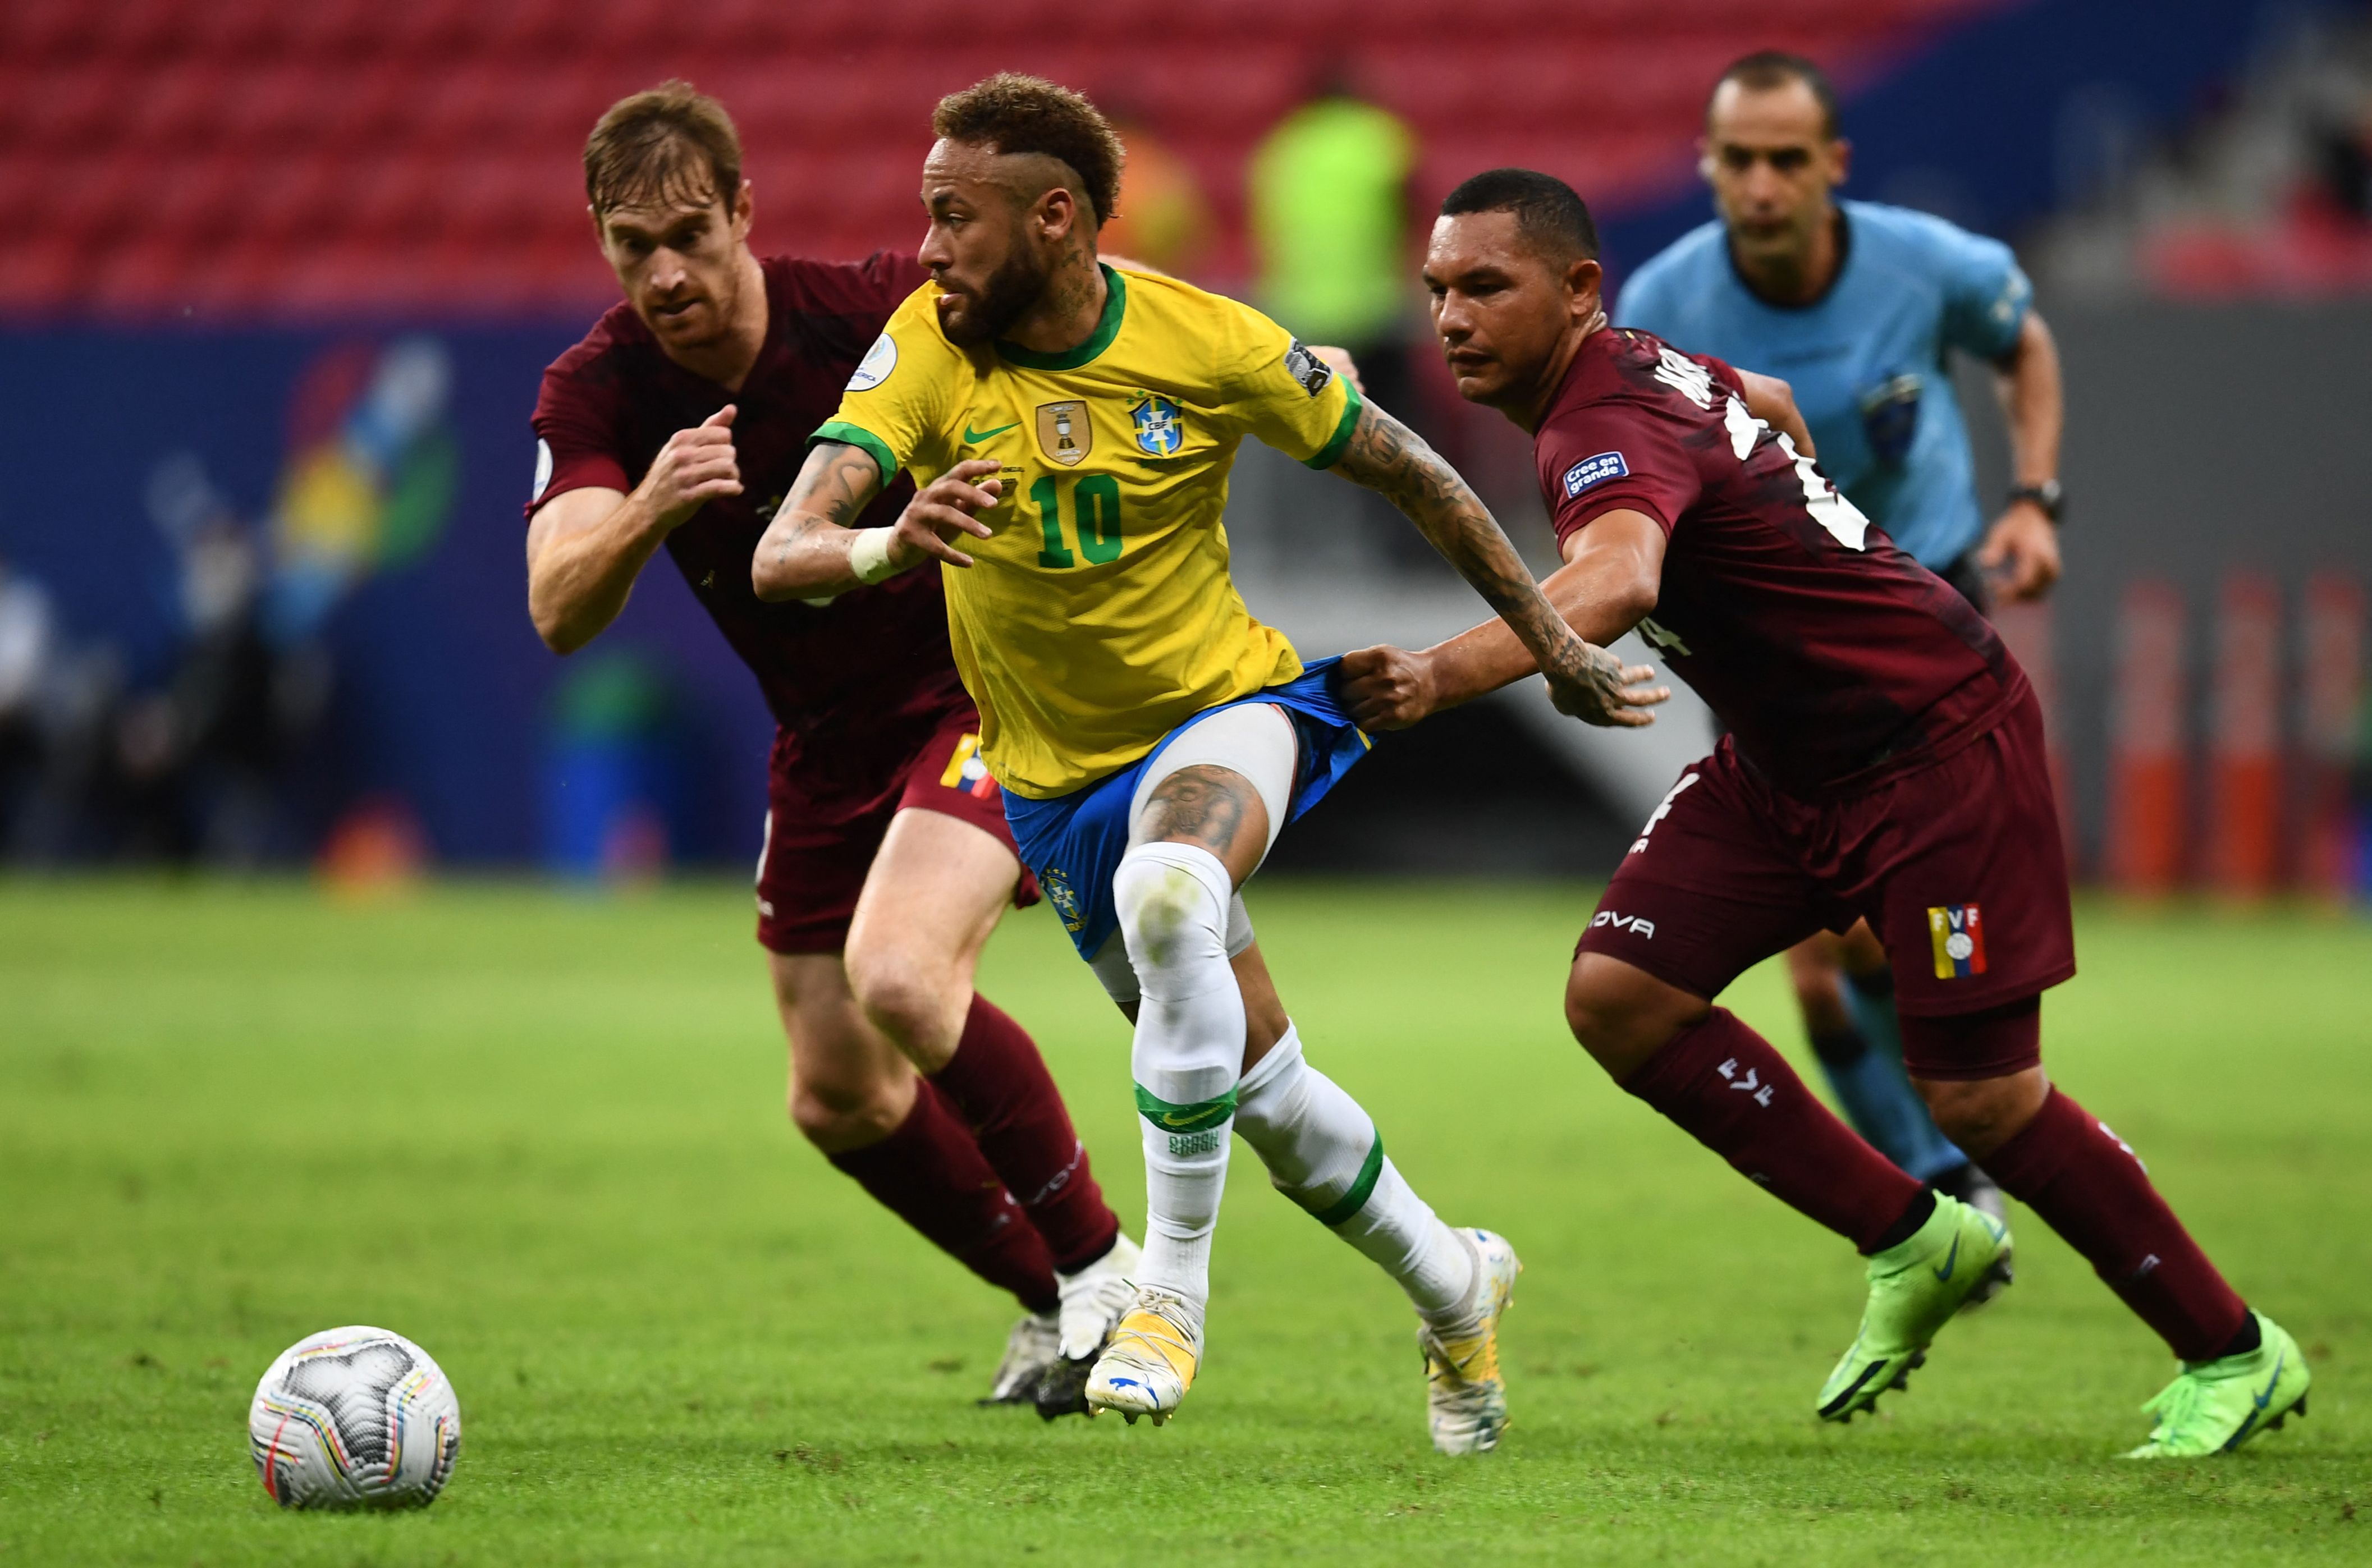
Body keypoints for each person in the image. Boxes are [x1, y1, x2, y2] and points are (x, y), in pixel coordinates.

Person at [752, 74, 1660, 1452]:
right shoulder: (927, 349)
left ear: (1055, 220)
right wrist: (893, 538)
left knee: (1172, 887)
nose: (930, 249)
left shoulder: (1208, 339)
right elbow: (783, 549)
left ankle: (1164, 1296)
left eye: (957, 218)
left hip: (1223, 713)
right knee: (1264, 1092)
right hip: (1053, 786)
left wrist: (1554, 642)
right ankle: (1456, 1282)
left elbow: (1415, 469)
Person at [1344, 168, 2306, 1457]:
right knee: (1620, 996)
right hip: (1786, 761)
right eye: (1437, 292)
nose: (1450, 317)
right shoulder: (1631, 366)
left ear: (1578, 291)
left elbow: (1619, 578)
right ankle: (1917, 1237)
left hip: (1930, 749)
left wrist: (1437, 673)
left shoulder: (1595, 425)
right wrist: (1787, 511)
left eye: (1483, 286)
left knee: (1982, 1099)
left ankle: (2231, 1347)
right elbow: (1772, 399)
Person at [523, 81, 1139, 1416]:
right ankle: (1050, 1299)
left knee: (908, 976)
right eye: (635, 246)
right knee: (837, 1092)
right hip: (820, 743)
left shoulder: (870, 313)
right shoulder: (599, 389)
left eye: (692, 232)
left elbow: (1075, 287)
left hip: (980, 695)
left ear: (745, 210)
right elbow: (557, 605)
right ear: (602, 246)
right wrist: (646, 509)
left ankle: (1106, 1272)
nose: (669, 271)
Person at [1615, 52, 2067, 1234]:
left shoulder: (1929, 266)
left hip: (1920, 615)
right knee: (1821, 956)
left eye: (1785, 160)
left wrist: (2035, 495)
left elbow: (2022, 342)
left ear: (1832, 165)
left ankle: (1968, 1146)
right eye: (1738, 161)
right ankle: (1943, 1188)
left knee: (1899, 944)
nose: (1761, 185)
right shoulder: (1664, 302)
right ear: (1708, 165)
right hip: (1768, 647)